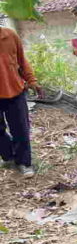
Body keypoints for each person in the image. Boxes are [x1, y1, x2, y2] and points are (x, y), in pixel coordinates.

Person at [0, 26, 43, 178]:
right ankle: (9, 156)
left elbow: (22, 60)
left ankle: (24, 162)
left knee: (21, 129)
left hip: (15, 90)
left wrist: (32, 80)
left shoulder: (10, 35)